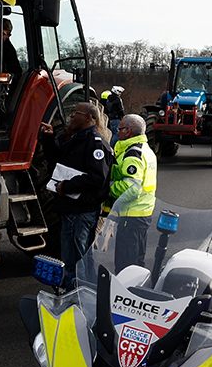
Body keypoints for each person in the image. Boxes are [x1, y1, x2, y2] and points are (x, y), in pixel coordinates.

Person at [38, 102, 112, 288]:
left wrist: (67, 187)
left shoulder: (95, 143)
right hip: (70, 210)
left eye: (75, 112)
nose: (71, 116)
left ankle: (78, 298)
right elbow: (57, 158)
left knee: (76, 261)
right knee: (71, 259)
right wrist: (49, 138)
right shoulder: (77, 139)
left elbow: (97, 178)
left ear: (89, 118)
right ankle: (74, 293)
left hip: (81, 212)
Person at [108, 113, 158, 273]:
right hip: (142, 214)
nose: (117, 132)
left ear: (128, 131)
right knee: (136, 262)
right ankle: (136, 291)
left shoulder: (132, 154)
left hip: (130, 216)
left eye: (120, 129)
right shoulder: (146, 150)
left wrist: (107, 188)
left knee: (125, 266)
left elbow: (131, 188)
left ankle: (125, 294)